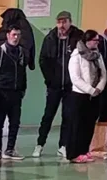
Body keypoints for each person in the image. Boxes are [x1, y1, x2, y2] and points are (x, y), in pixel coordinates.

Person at [35, 10, 83, 158]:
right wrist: (50, 79)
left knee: (68, 116)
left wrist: (77, 80)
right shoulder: (50, 38)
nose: (61, 25)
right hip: (54, 86)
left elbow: (83, 59)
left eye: (64, 22)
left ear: (70, 22)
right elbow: (43, 60)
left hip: (71, 86)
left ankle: (63, 145)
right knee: (48, 115)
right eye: (59, 22)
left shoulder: (78, 37)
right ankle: (40, 144)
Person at [0, 25, 28, 163]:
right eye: (14, 34)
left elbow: (23, 72)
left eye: (18, 35)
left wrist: (23, 89)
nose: (16, 37)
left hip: (16, 94)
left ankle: (10, 149)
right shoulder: (0, 52)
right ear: (8, 35)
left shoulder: (21, 52)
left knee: (15, 123)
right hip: (1, 94)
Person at [66, 30, 107, 164]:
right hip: (80, 95)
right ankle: (74, 153)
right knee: (77, 125)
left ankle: (84, 150)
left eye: (98, 40)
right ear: (87, 41)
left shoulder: (98, 55)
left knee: (89, 125)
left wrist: (99, 88)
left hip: (95, 95)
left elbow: (103, 74)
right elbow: (75, 78)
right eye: (95, 40)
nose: (97, 43)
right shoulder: (76, 56)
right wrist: (90, 90)